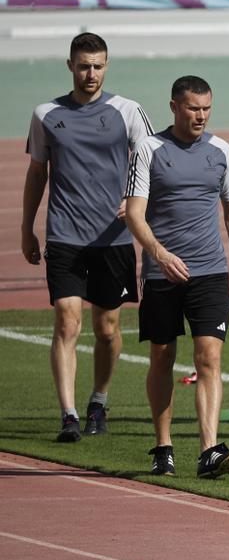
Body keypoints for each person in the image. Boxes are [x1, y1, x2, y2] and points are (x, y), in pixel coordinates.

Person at [22, 32, 153, 443]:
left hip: (113, 239)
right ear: (70, 66)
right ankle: (68, 415)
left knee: (108, 328)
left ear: (106, 66)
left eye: (97, 66)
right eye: (83, 65)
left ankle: (98, 399)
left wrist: (134, 199)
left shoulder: (127, 111)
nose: (90, 73)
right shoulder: (46, 114)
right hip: (64, 235)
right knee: (67, 321)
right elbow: (37, 173)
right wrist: (26, 227)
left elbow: (154, 159)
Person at [125, 76, 229, 478]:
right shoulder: (150, 149)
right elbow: (134, 213)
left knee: (209, 357)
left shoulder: (221, 150)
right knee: (162, 356)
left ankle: (209, 450)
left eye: (207, 108)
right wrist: (159, 255)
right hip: (163, 275)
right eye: (193, 108)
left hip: (211, 271)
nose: (201, 115)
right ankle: (163, 447)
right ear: (175, 106)